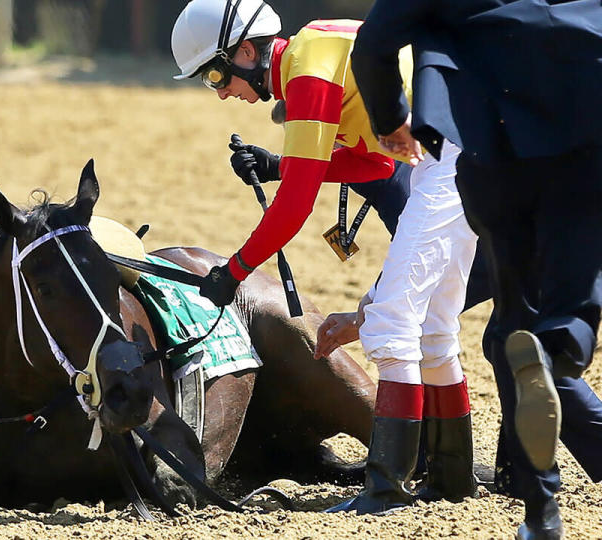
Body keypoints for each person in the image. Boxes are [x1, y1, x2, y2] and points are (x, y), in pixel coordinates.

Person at [170, 0, 477, 513]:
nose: (223, 93)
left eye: (217, 75)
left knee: (390, 325)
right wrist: (281, 164)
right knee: (435, 329)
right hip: (454, 156)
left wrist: (235, 271)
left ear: (247, 51)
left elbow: (295, 205)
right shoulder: (314, 53)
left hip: (448, 165)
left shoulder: (308, 73)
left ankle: (387, 488)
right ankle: (450, 477)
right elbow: (378, 165)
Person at [349, 0, 602, 536]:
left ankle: (541, 512)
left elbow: (372, 44)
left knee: (514, 325)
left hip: (491, 145)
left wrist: (391, 118)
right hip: (587, 140)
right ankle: (564, 349)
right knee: (567, 318)